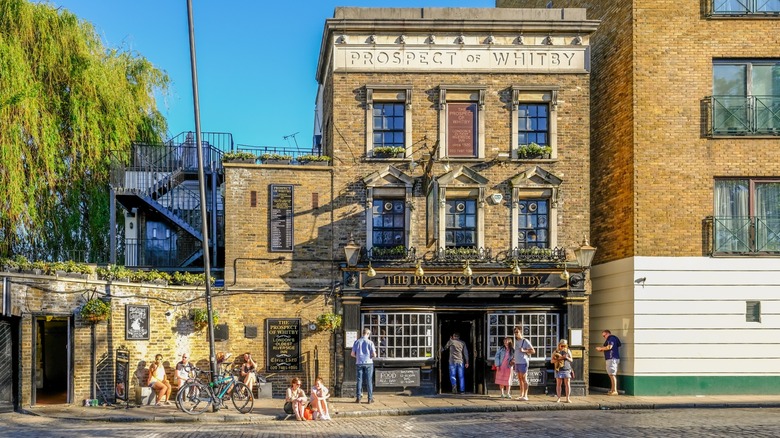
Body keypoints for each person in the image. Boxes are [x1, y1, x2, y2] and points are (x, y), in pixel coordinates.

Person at [351, 327, 377, 403]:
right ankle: (370, 398)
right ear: (368, 334)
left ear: (363, 333)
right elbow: (374, 355)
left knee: (359, 380)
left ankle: (358, 398)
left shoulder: (357, 342)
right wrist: (371, 356)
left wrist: (358, 357)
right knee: (369, 381)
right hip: (369, 363)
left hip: (359, 363)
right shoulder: (370, 342)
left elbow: (352, 354)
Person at [511, 326, 535, 401]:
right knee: (520, 379)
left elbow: (533, 351)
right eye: (515, 332)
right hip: (517, 362)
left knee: (524, 378)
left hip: (523, 362)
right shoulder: (517, 341)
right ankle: (521, 395)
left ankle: (525, 395)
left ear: (521, 332)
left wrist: (524, 350)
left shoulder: (525, 341)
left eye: (517, 332)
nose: (516, 334)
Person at [596, 329, 622, 395]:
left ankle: (614, 390)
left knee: (612, 374)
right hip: (611, 358)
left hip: (611, 358)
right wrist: (602, 350)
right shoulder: (612, 339)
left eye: (604, 336)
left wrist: (601, 348)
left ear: (608, 334)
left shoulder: (611, 338)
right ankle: (612, 389)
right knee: (611, 374)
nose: (604, 337)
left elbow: (609, 347)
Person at [552, 339, 573, 403]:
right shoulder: (556, 351)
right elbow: (552, 361)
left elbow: (571, 360)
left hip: (566, 369)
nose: (563, 347)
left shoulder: (568, 351)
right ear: (559, 345)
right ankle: (558, 398)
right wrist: (559, 358)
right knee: (558, 384)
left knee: (567, 384)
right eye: (562, 345)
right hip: (558, 369)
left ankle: (567, 398)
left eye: (565, 345)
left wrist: (567, 358)